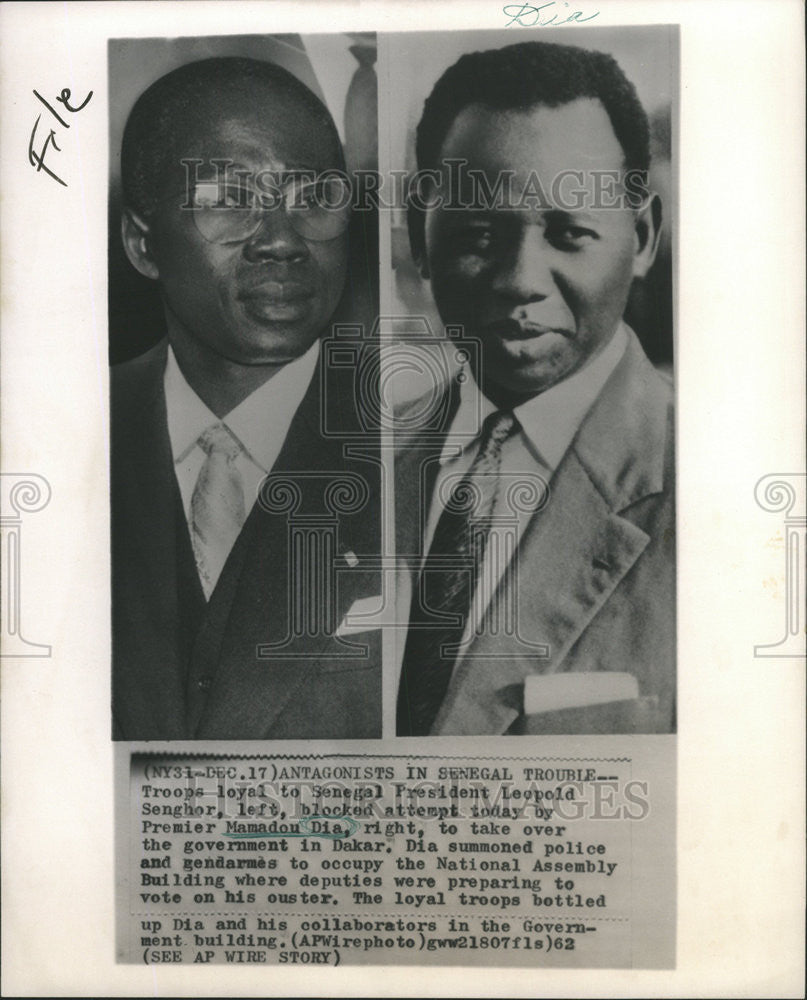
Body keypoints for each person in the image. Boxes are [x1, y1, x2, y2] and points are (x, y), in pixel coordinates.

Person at [395, 40, 675, 736]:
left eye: (570, 232)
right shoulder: (343, 466)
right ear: (419, 238)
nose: (519, 280)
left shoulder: (726, 497)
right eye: (478, 234)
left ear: (640, 237)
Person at [111, 57, 381, 740]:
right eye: (230, 199)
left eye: (314, 198)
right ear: (143, 244)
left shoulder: (423, 443)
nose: (283, 241)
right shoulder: (56, 436)